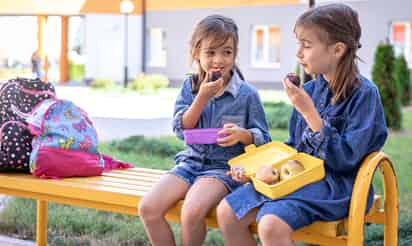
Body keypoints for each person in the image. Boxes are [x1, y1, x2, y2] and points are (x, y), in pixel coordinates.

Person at [217, 4, 388, 246]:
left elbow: (346, 160)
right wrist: (257, 171)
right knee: (228, 212)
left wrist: (310, 113)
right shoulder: (309, 90)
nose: (298, 53)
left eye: (306, 46)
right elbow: (294, 148)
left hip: (337, 185)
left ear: (338, 49)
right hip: (298, 176)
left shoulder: (364, 96)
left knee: (271, 224)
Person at [138, 15, 271, 246]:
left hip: (223, 169)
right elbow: (181, 130)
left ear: (235, 53)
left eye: (227, 52)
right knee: (148, 208)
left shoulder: (246, 94)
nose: (219, 60)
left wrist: (244, 135)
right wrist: (202, 97)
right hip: (190, 162)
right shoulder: (190, 88)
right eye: (210, 53)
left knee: (191, 212)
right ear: (196, 53)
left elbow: (264, 138)